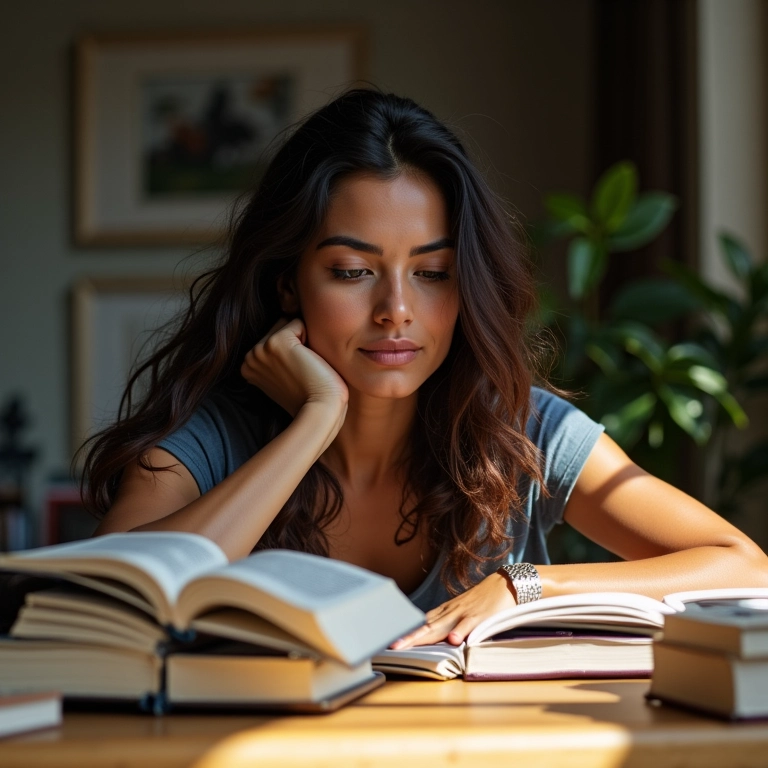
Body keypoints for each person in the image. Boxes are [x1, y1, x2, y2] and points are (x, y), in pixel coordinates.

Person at [84, 89, 768, 650]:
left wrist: (526, 586)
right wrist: (314, 423)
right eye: (352, 271)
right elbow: (117, 598)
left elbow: (745, 568)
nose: (397, 310)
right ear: (288, 285)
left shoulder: (522, 429)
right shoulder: (212, 437)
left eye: (433, 273)